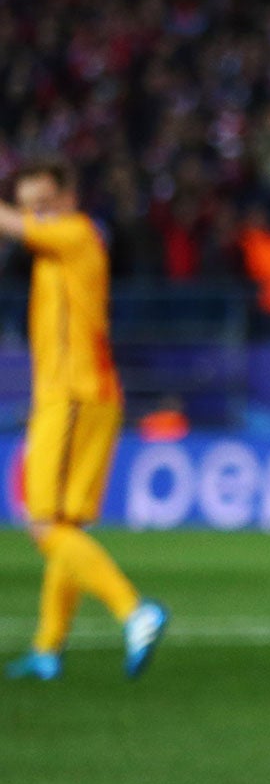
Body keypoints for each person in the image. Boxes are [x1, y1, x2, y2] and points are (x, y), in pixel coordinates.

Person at [0, 160, 168, 680]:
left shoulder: (75, 233)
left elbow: (12, 226)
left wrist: (20, 218)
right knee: (65, 527)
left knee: (43, 523)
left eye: (46, 201)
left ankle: (133, 611)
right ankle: (48, 647)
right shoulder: (54, 247)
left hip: (72, 395)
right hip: (88, 393)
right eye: (30, 205)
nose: (37, 213)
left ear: (70, 195)